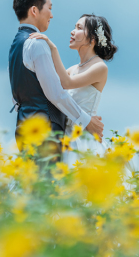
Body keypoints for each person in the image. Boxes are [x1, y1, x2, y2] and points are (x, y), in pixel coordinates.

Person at [9, 0, 104, 164]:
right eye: (49, 8)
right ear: (34, 11)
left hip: (23, 125)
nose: (52, 15)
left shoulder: (16, 44)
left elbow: (18, 95)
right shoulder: (36, 43)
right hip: (44, 128)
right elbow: (56, 94)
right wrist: (87, 121)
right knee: (46, 187)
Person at [28, 14, 118, 164]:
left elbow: (66, 83)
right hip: (66, 135)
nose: (72, 31)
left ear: (92, 39)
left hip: (84, 138)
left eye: (79, 28)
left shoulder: (100, 67)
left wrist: (53, 48)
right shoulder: (72, 69)